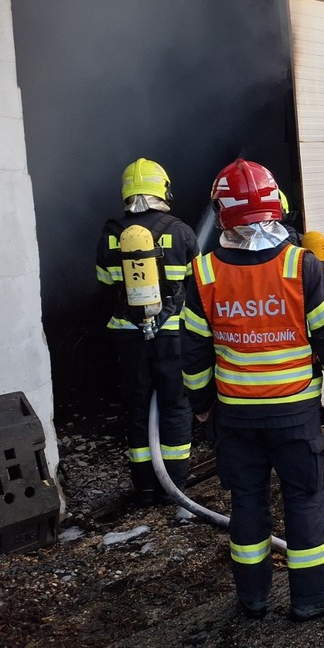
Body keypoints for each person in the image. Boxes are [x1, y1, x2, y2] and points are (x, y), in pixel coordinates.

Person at [181, 159, 324, 622]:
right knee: (304, 498)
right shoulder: (302, 264)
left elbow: (193, 352)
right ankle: (313, 595)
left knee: (247, 502)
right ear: (275, 205)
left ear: (222, 213)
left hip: (235, 417)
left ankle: (253, 597)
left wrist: (201, 405)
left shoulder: (204, 273)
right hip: (295, 415)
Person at [95, 158, 199, 507]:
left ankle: (145, 489)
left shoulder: (110, 235)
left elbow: (105, 287)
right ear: (163, 189)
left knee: (137, 408)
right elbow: (196, 286)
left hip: (128, 338)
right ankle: (176, 488)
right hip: (171, 335)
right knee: (175, 405)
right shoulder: (181, 232)